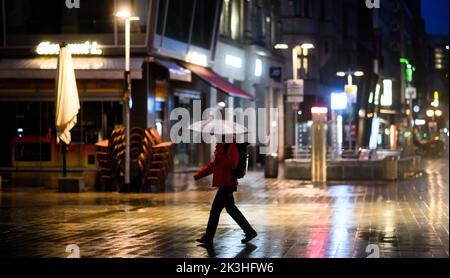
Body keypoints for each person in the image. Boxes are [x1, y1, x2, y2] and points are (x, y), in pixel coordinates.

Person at [194, 138, 257, 246]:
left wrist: (220, 157)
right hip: (224, 183)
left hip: (228, 184)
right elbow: (213, 165)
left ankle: (209, 237)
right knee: (231, 209)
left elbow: (233, 164)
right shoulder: (221, 146)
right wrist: (199, 175)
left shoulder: (230, 146)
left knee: (215, 211)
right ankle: (249, 231)